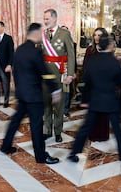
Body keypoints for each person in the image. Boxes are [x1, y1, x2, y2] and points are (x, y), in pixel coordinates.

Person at [67, 34, 121, 169]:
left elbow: (87, 82)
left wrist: (84, 100)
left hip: (95, 101)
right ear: (110, 46)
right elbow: (119, 81)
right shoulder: (114, 62)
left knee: (85, 129)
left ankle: (73, 153)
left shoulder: (92, 61)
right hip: (110, 101)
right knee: (117, 131)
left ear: (99, 46)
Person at [0, 23, 61, 164]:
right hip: (34, 95)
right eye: (41, 33)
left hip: (22, 94)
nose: (42, 35)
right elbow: (45, 73)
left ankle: (5, 146)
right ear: (35, 33)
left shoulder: (19, 50)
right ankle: (40, 156)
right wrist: (55, 89)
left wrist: (20, 88)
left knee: (15, 122)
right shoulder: (36, 51)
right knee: (37, 126)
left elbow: (16, 72)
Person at [42, 9, 75, 143]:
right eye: (44, 19)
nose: (45, 21)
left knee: (59, 106)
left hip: (60, 73)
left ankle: (57, 132)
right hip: (45, 75)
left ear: (55, 19)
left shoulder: (64, 34)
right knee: (47, 105)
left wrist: (70, 74)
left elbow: (71, 55)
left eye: (47, 19)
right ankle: (47, 130)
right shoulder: (43, 35)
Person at [81, 27, 111, 142]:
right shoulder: (90, 50)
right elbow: (85, 67)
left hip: (104, 87)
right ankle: (93, 134)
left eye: (99, 35)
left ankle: (103, 134)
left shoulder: (108, 51)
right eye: (95, 35)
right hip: (93, 86)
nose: (96, 37)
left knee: (103, 112)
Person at [60, 25, 77, 118]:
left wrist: (73, 71)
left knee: (67, 92)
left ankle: (65, 110)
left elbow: (73, 58)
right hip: (57, 70)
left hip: (67, 70)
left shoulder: (72, 44)